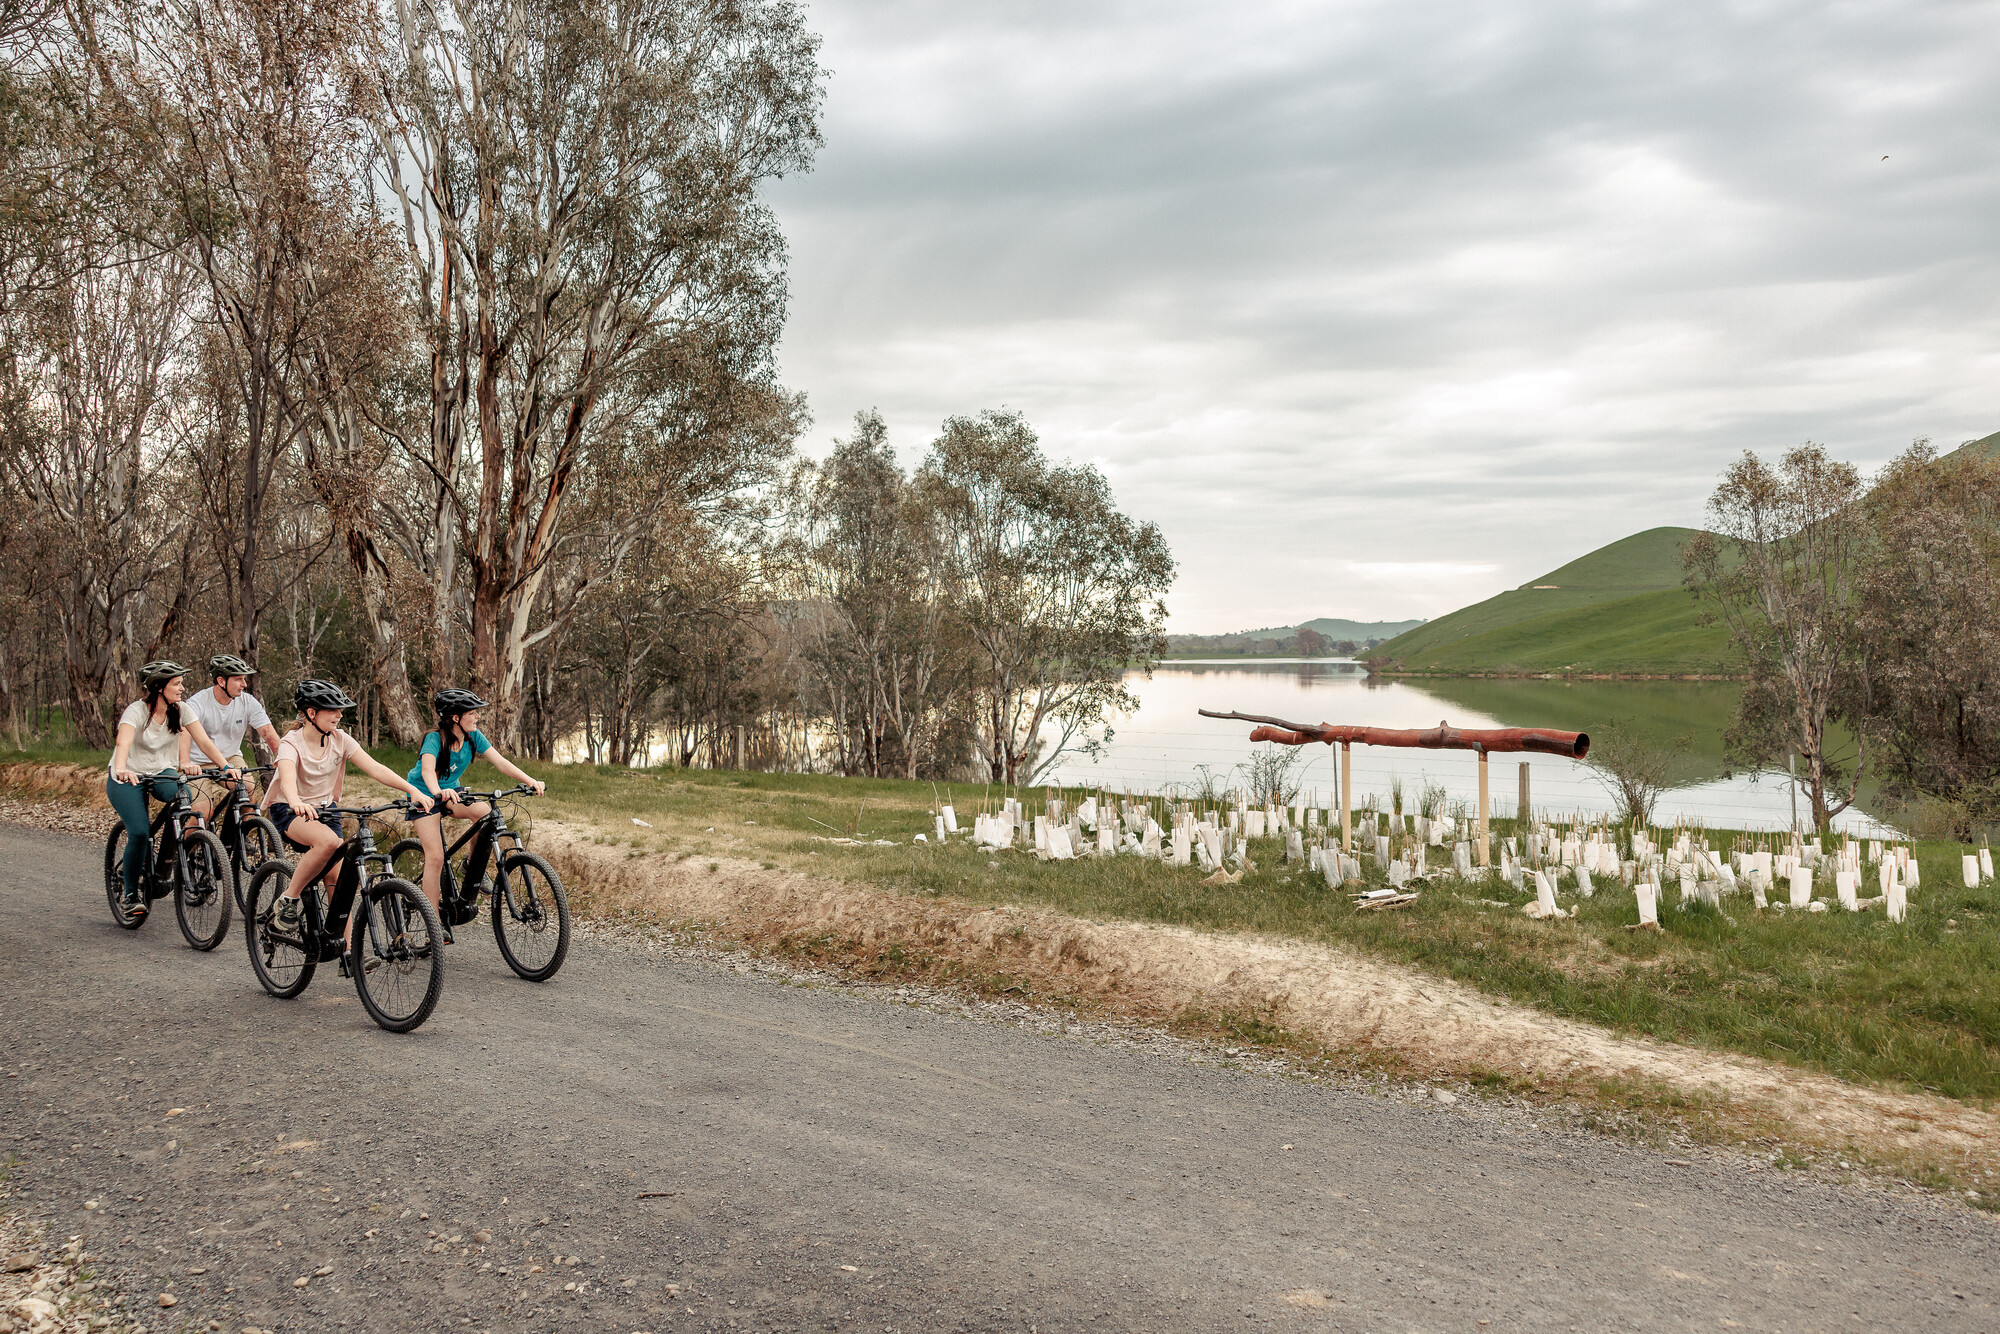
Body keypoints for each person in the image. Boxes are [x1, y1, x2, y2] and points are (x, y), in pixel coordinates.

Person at [264, 679, 432, 943]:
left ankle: (348, 951)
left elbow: (376, 768)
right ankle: (288, 899)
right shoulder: (291, 743)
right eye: (332, 709)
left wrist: (414, 790)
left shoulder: (340, 739)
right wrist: (296, 801)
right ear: (311, 713)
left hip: (327, 810)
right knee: (329, 842)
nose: (340, 715)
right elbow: (286, 777)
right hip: (290, 810)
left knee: (338, 879)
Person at [407, 688, 545, 915]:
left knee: (485, 814)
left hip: (452, 793)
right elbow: (428, 771)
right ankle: (433, 921)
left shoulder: (473, 737)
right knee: (435, 858)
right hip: (424, 795)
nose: (478, 717)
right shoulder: (434, 739)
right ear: (455, 717)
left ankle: (471, 865)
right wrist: (437, 792)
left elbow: (501, 763)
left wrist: (531, 781)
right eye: (472, 713)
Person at [106, 661, 209, 916]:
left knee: (183, 797)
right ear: (158, 687)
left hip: (161, 772)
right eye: (177, 683)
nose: (182, 688)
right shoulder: (136, 711)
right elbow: (123, 742)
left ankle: (164, 864)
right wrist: (121, 768)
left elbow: (203, 740)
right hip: (127, 777)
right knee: (139, 833)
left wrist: (226, 765)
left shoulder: (180, 710)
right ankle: (130, 895)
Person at [182, 653, 281, 825]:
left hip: (230, 757)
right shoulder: (197, 703)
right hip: (197, 763)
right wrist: (184, 763)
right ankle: (187, 849)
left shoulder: (247, 702)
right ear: (221, 681)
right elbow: (187, 734)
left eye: (244, 679)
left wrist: (284, 760)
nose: (244, 684)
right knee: (203, 813)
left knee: (248, 789)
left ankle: (236, 839)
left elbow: (268, 733)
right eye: (238, 679)